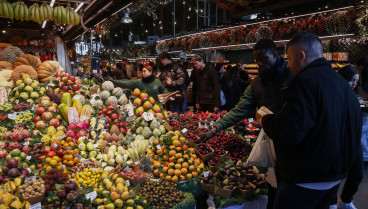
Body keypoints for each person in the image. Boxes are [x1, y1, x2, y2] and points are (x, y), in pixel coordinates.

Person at [258, 31, 362, 209]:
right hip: (333, 180)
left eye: (290, 59)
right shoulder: (343, 86)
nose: (289, 66)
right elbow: (354, 135)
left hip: (303, 181)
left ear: (301, 55)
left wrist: (265, 120)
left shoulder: (305, 82)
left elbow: (289, 131)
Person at [200, 38, 292, 209]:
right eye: (256, 60)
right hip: (272, 139)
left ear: (275, 54)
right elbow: (239, 109)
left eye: (264, 59)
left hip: (295, 140)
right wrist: (215, 129)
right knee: (275, 184)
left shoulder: (292, 73)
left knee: (290, 189)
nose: (259, 64)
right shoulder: (256, 83)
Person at [328, 66, 365, 209]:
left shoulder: (353, 97)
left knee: (358, 173)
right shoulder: (332, 94)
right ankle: (331, 203)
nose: (354, 84)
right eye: (351, 81)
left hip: (354, 141)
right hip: (337, 141)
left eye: (356, 81)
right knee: (334, 175)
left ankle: (345, 200)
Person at [355, 56, 368, 162]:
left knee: (363, 130)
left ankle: (364, 155)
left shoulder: (364, 78)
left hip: (365, 110)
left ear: (362, 67)